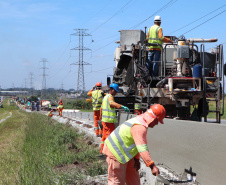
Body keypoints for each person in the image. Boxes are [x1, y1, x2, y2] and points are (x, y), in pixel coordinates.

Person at [102, 104, 166, 185]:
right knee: (116, 181)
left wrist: (136, 159)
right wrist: (152, 166)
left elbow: (136, 144)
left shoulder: (141, 121)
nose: (157, 124)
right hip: (114, 151)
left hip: (124, 153)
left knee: (133, 179)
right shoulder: (139, 127)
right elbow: (142, 148)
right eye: (158, 121)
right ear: (153, 118)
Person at [100, 83, 129, 154]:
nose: (116, 93)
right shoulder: (110, 97)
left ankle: (102, 151)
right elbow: (112, 104)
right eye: (115, 91)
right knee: (109, 137)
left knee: (104, 136)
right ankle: (108, 152)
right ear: (111, 90)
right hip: (109, 121)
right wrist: (121, 106)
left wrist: (101, 117)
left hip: (105, 120)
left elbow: (101, 108)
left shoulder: (105, 97)